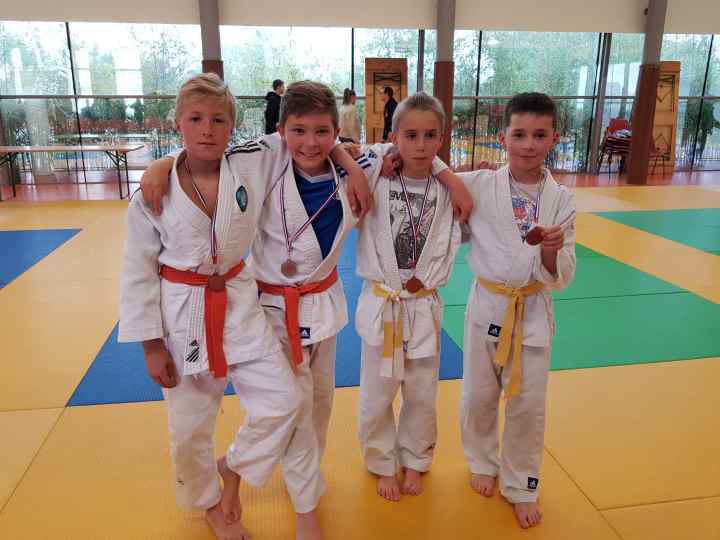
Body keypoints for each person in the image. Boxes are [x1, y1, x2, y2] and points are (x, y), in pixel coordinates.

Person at [118, 73, 302, 540]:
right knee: (189, 429)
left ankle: (233, 467)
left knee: (284, 400)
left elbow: (306, 138)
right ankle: (208, 504)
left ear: (232, 127)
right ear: (177, 123)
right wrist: (150, 345)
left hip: (239, 303)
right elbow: (138, 272)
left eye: (218, 120)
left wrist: (351, 161)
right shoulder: (152, 194)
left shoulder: (251, 162)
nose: (207, 129)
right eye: (196, 119)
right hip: (183, 314)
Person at [457, 92, 576, 529]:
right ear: (502, 137)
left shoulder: (562, 199)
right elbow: (430, 177)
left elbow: (560, 274)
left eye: (539, 135)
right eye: (520, 134)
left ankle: (522, 483)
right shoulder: (478, 185)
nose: (529, 145)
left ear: (554, 139)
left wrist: (551, 249)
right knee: (478, 395)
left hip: (532, 307)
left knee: (528, 403)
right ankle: (482, 461)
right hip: (486, 303)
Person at [354, 92, 463, 502]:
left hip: (423, 306)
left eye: (430, 135)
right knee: (377, 393)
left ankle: (415, 459)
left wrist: (446, 173)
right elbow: (344, 152)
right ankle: (382, 461)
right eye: (410, 135)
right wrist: (384, 156)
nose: (420, 144)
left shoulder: (450, 189)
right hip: (383, 302)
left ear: (442, 139)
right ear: (394, 137)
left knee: (421, 392)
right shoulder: (374, 178)